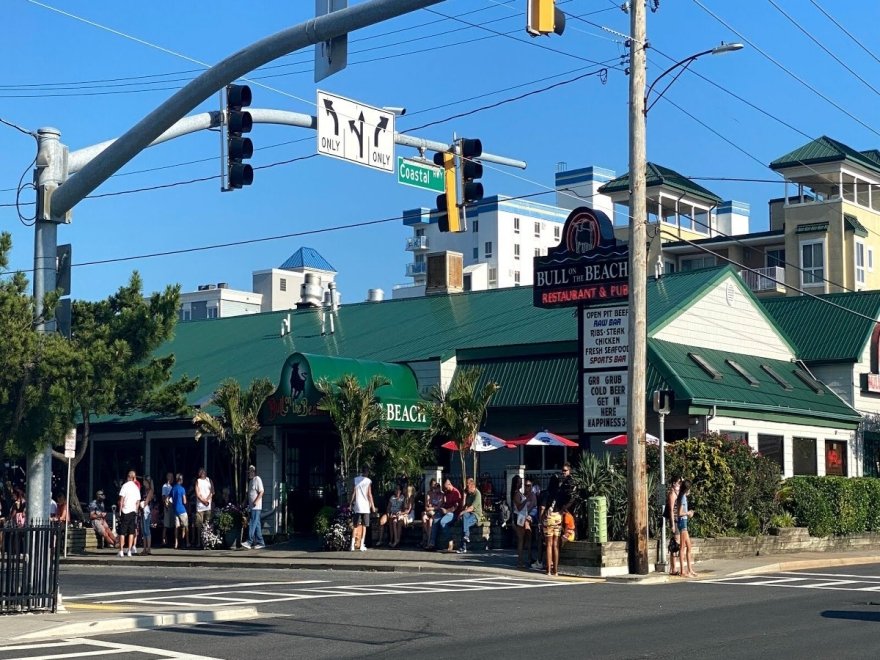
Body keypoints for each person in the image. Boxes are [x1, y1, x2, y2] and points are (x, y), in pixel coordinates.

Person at [428, 478, 462, 551]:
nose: (445, 490)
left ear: (449, 484)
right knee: (435, 519)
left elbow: (455, 507)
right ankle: (432, 543)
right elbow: (445, 503)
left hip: (454, 513)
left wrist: (446, 511)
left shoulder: (456, 493)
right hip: (446, 511)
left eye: (446, 488)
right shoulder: (447, 492)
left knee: (443, 522)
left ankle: (450, 541)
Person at [349, 466, 375, 552]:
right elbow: (369, 494)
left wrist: (350, 503)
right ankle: (361, 545)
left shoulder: (355, 479)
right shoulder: (368, 481)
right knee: (364, 526)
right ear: (367, 472)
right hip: (365, 506)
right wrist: (373, 506)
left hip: (358, 505)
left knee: (355, 525)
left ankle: (352, 545)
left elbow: (353, 492)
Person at [118, 470, 141, 558]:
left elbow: (122, 499)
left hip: (125, 510)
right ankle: (129, 551)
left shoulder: (125, 486)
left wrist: (120, 510)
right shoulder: (136, 487)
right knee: (131, 532)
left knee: (122, 532)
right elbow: (138, 501)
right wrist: (136, 510)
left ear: (128, 477)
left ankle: (121, 550)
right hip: (132, 511)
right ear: (134, 478)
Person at [676, 479, 697, 578]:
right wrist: (688, 513)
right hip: (682, 522)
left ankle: (690, 569)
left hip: (683, 522)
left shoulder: (681, 496)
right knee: (682, 547)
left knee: (689, 546)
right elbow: (679, 513)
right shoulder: (683, 498)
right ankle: (682, 571)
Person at [457, 477, 483, 554]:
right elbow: (463, 507)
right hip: (468, 514)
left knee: (465, 524)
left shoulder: (477, 493)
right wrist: (464, 496)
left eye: (467, 486)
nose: (466, 488)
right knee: (465, 520)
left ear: (472, 486)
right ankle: (466, 536)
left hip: (476, 515)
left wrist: (461, 513)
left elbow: (472, 508)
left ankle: (463, 547)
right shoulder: (469, 494)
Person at [242, 465, 266, 550]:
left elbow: (261, 491)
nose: (249, 473)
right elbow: (248, 493)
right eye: (249, 472)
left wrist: (256, 501)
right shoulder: (251, 481)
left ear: (254, 472)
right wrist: (245, 502)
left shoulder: (257, 479)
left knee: (252, 523)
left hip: (256, 506)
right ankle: (260, 542)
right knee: (257, 524)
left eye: (251, 471)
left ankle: (249, 541)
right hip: (252, 507)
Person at [666, 474, 683, 576]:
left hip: (679, 519)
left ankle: (674, 568)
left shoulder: (678, 493)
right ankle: (673, 568)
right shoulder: (672, 494)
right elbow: (671, 510)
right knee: (675, 545)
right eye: (679, 482)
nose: (680, 484)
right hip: (675, 520)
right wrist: (672, 524)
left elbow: (687, 491)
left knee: (679, 543)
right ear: (674, 483)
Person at [194, 468, 214, 550]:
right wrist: (203, 501)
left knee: (207, 524)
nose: (202, 473)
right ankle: (199, 542)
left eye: (204, 472)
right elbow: (197, 493)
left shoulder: (209, 480)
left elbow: (212, 491)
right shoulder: (198, 481)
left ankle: (207, 542)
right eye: (201, 472)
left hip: (207, 506)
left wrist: (207, 499)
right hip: (200, 507)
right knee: (199, 525)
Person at [421, 479, 442, 548]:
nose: (434, 487)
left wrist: (431, 508)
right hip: (429, 512)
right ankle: (428, 537)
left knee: (430, 521)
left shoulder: (441, 494)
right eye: (432, 485)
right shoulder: (429, 493)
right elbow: (427, 504)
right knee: (424, 518)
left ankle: (428, 541)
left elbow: (438, 506)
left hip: (435, 512)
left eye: (435, 486)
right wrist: (430, 507)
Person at [171, 473, 188, 550]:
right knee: (185, 526)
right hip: (182, 509)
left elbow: (168, 498)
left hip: (175, 510)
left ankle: (176, 543)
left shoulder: (173, 488)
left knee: (176, 527)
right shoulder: (182, 489)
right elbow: (184, 501)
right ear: (181, 480)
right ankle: (185, 542)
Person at [140, 477, 155, 555]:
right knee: (143, 531)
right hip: (143, 511)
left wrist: (141, 505)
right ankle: (145, 548)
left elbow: (146, 501)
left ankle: (148, 548)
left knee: (146, 530)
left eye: (145, 482)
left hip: (147, 512)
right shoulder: (144, 491)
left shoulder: (150, 491)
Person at [161, 472, 174, 548]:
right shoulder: (165, 486)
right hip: (167, 506)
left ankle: (170, 540)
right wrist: (165, 505)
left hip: (172, 506)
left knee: (171, 524)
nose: (172, 478)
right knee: (166, 524)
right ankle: (163, 540)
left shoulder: (172, 486)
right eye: (171, 477)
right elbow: (163, 496)